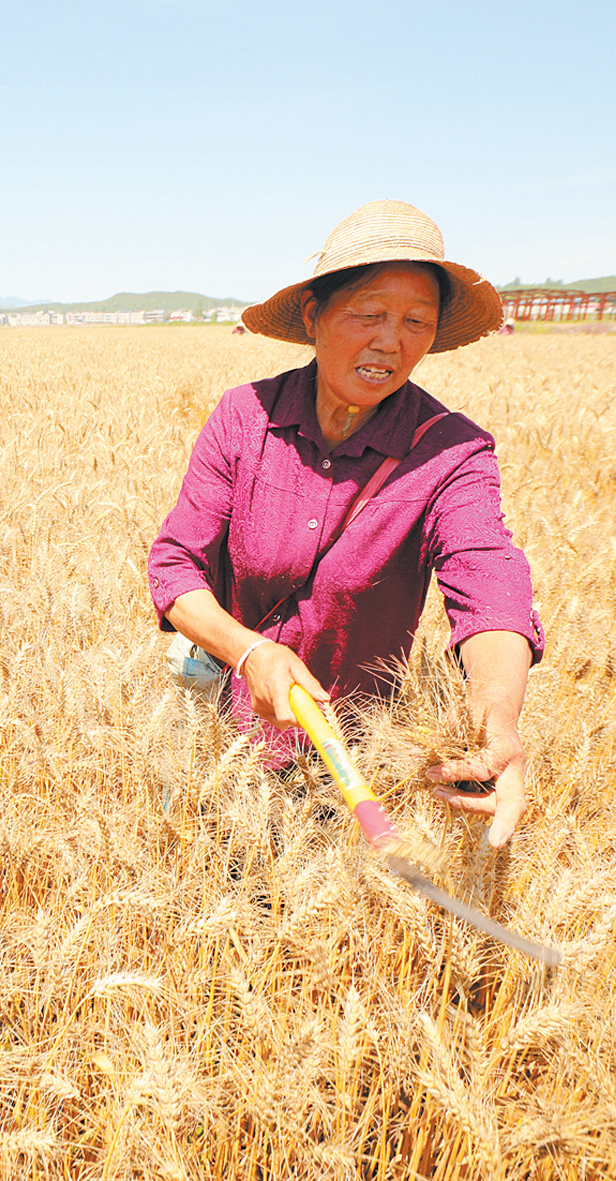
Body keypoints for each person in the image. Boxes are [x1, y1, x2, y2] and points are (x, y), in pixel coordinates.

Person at [148, 200, 543, 847]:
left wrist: (496, 714)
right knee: (210, 882)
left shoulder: (452, 452)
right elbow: (173, 563)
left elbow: (490, 582)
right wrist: (249, 651)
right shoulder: (246, 417)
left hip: (352, 759)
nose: (391, 340)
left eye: (417, 320)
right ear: (314, 314)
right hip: (221, 734)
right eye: (369, 313)